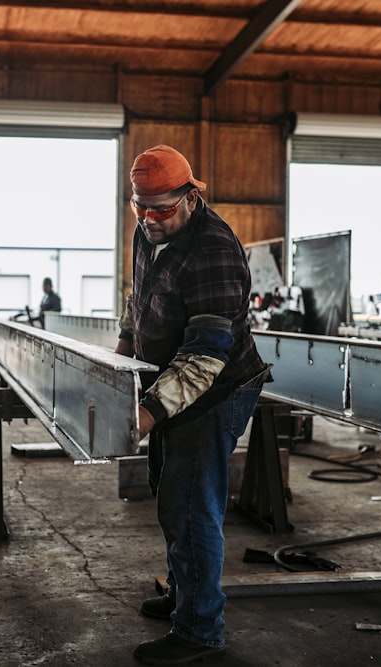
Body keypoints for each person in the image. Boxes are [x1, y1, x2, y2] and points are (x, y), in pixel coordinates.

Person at [115, 145, 269, 665]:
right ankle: (185, 596)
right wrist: (120, 360)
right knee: (169, 492)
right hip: (167, 381)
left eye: (162, 209)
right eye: (141, 207)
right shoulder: (148, 230)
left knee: (190, 506)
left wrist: (143, 416)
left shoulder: (214, 250)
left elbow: (205, 358)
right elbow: (138, 299)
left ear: (191, 196)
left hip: (217, 390)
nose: (150, 219)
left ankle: (201, 629)